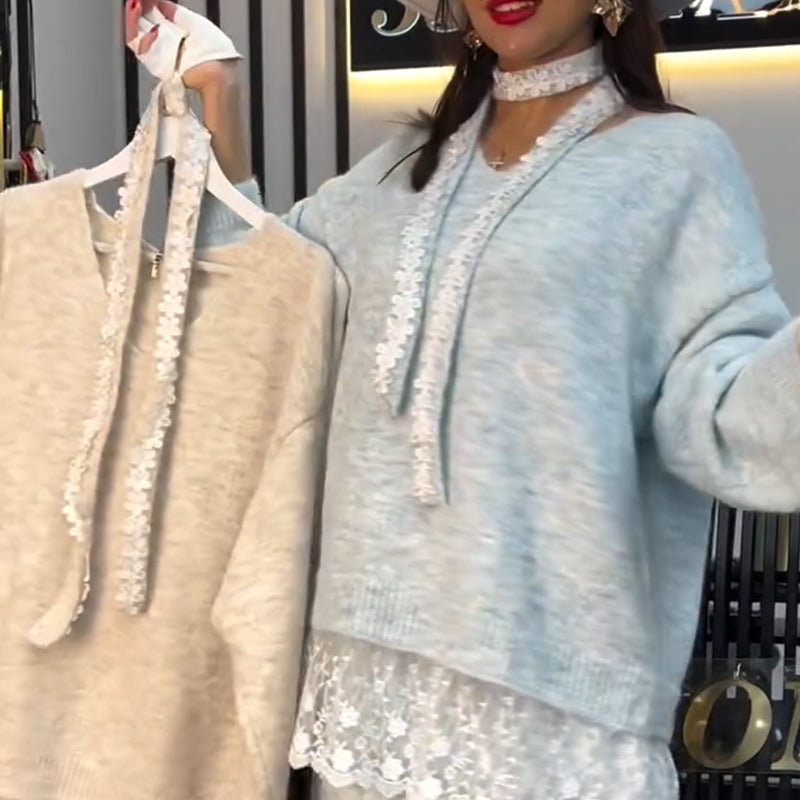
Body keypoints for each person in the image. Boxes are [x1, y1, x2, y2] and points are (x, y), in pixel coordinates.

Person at [124, 1, 800, 799]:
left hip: (548, 705)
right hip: (367, 684)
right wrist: (216, 94)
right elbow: (258, 299)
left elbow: (721, 412)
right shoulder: (396, 170)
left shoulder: (676, 163)